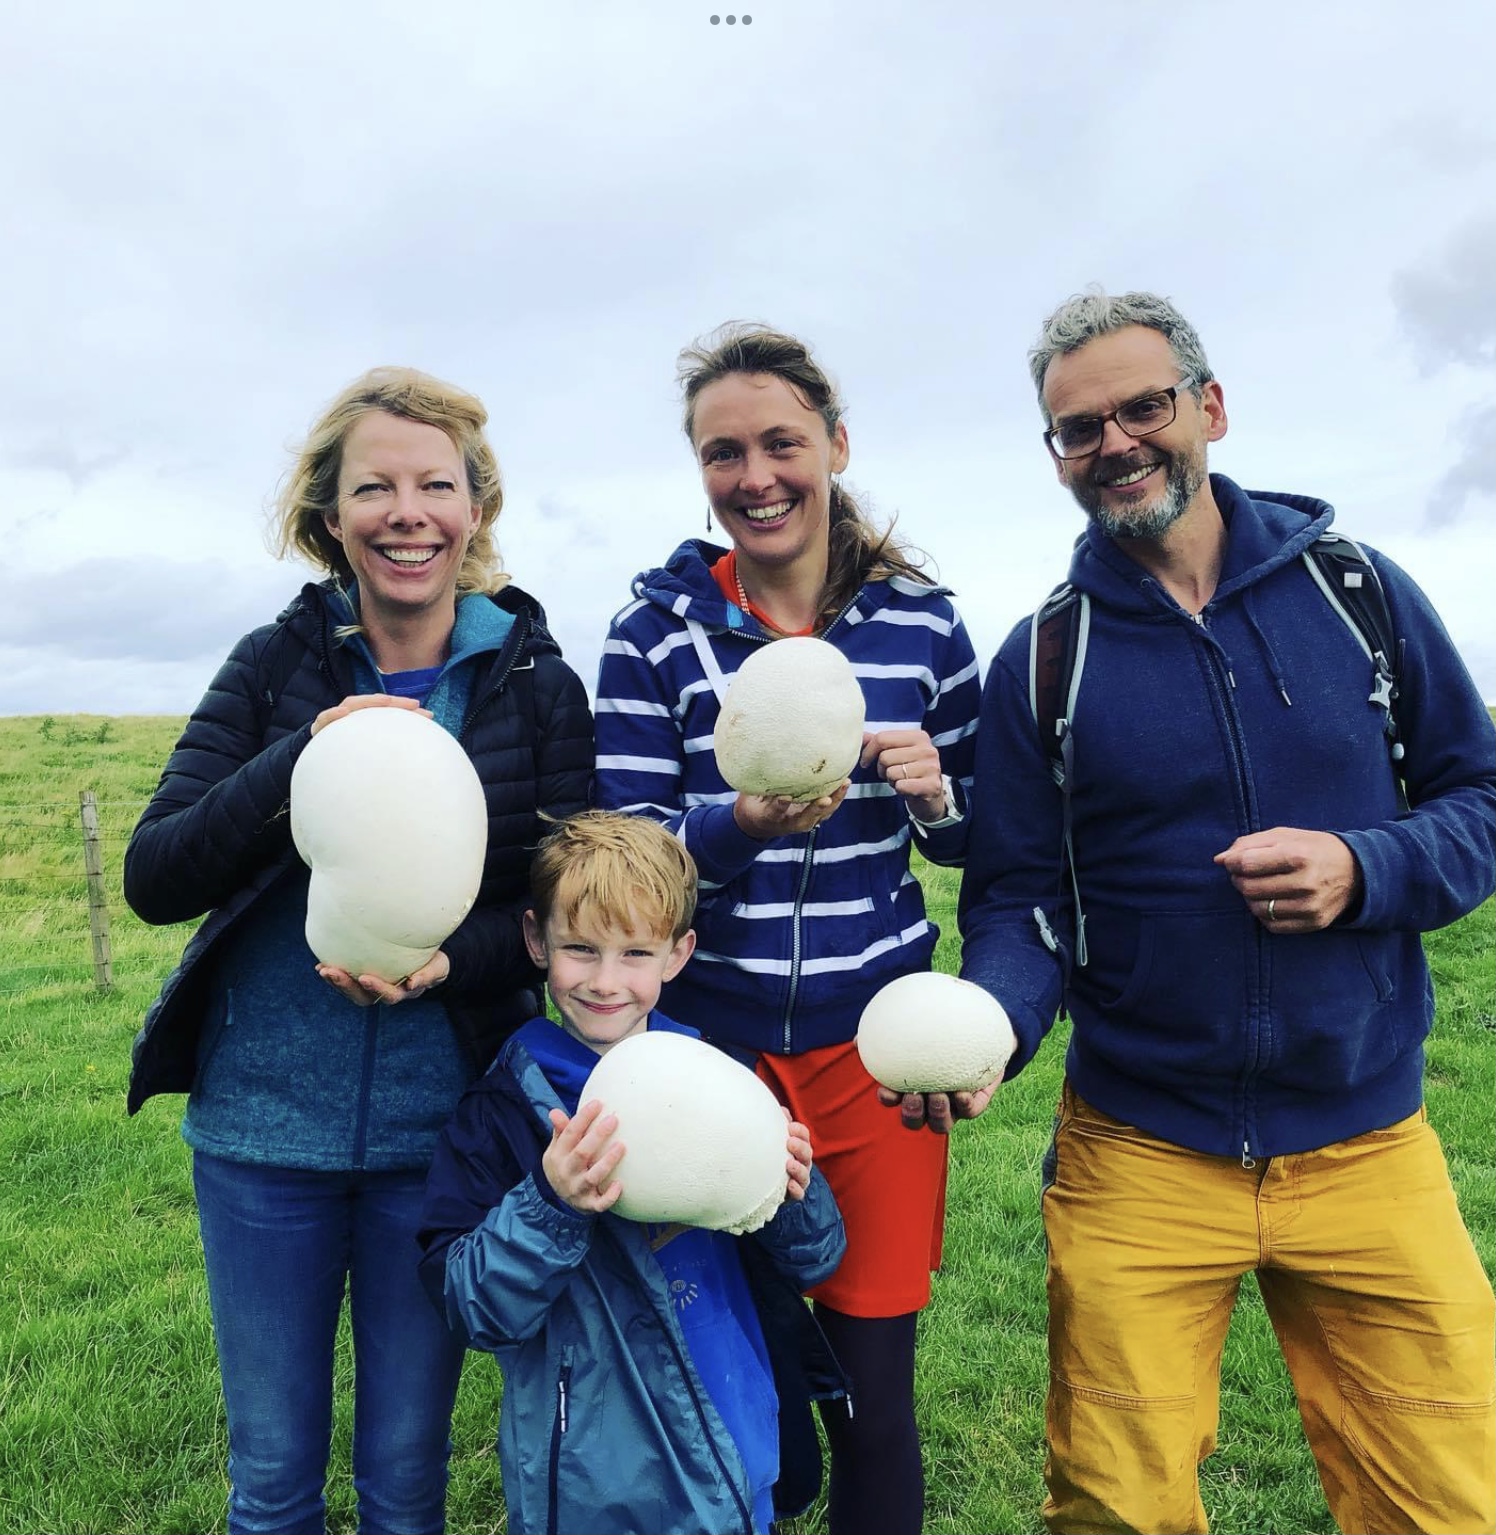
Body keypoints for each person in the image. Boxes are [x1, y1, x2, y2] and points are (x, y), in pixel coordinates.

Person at [955, 288, 1496, 1534]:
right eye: (1077, 428)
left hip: (1367, 1140)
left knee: (1446, 1503)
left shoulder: (1355, 592)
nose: (1114, 444)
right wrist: (993, 1024)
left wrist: (1364, 866)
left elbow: (1476, 797)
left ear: (1207, 406)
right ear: (1055, 454)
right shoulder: (1042, 657)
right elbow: (1016, 898)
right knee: (1114, 1510)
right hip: (1139, 1148)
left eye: (1141, 407)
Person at [123, 366, 594, 1535]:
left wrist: (450, 965)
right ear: (329, 514)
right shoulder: (272, 665)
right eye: (373, 487)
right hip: (260, 1133)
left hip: (438, 1138)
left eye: (435, 484)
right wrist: (301, 759)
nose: (406, 513)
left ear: (474, 507)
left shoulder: (537, 686)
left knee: (403, 1477)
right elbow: (156, 874)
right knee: (272, 1481)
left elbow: (557, 914)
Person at [592, 323, 982, 1535]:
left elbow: (981, 841)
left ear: (834, 446)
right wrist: (741, 822)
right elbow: (625, 866)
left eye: (780, 443)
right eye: (723, 452)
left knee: (872, 1392)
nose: (754, 475)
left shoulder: (923, 625)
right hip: (705, 1050)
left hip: (875, 1055)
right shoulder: (652, 634)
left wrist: (936, 798)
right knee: (716, 1378)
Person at [416, 810, 847, 1535]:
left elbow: (816, 1259)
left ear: (678, 954)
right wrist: (552, 1203)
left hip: (737, 1448)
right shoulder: (503, 1113)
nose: (606, 981)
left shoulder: (718, 1079)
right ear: (536, 941)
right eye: (580, 949)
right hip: (595, 1482)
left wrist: (791, 1191)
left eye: (636, 953)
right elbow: (472, 1306)